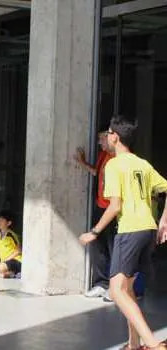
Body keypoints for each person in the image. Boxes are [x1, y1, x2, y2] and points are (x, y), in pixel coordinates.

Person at [80, 115, 167, 350]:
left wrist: (94, 231)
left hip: (130, 230)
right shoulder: (142, 164)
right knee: (127, 290)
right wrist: (162, 222)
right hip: (147, 230)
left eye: (107, 134)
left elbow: (115, 205)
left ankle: (152, 344)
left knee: (116, 291)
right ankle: (134, 344)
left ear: (115, 137)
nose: (105, 138)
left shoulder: (114, 165)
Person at [74, 129, 116, 300]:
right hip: (100, 207)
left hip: (113, 208)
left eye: (102, 138)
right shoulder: (103, 156)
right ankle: (100, 283)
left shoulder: (119, 159)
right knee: (98, 246)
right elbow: (97, 174)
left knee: (114, 248)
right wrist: (82, 163)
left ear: (112, 137)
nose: (100, 142)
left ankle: (115, 288)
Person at [0, 210, 22, 279]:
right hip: (6, 263)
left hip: (16, 261)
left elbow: (19, 251)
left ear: (9, 223)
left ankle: (7, 275)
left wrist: (5, 261)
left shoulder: (11, 235)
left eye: (1, 221)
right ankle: (11, 274)